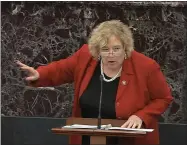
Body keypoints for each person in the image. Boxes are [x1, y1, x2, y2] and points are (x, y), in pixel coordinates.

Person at [16, 20, 173, 145]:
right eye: (105, 49)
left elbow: (163, 98)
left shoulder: (146, 66)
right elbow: (61, 69)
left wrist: (141, 116)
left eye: (116, 49)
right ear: (97, 50)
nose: (111, 55)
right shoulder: (86, 56)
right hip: (88, 137)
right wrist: (40, 74)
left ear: (126, 48)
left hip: (129, 140)